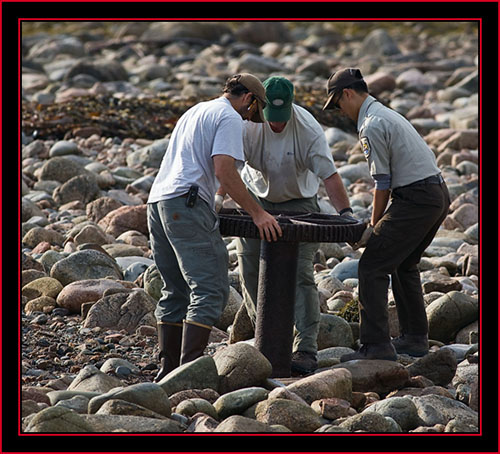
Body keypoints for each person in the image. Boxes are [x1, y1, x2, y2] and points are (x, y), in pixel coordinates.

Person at [147, 73, 282, 382]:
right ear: (248, 99)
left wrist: (218, 199)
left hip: (158, 202)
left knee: (175, 289)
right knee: (210, 290)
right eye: (253, 112)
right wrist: (258, 213)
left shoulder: (196, 110)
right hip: (187, 205)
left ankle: (167, 371)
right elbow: (224, 170)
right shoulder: (230, 117)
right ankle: (189, 372)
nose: (250, 119)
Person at [216, 76, 352, 375]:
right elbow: (229, 168)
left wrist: (346, 214)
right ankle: (262, 335)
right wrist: (217, 198)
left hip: (299, 200)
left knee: (301, 274)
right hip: (255, 199)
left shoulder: (308, 129)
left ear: (291, 108)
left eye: (281, 118)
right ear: (259, 106)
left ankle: (306, 348)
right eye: (270, 118)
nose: (275, 125)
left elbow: (330, 176)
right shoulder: (248, 124)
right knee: (249, 265)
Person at [322, 68, 450, 361]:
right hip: (437, 194)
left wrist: (373, 225)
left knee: (371, 267)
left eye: (338, 104)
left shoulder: (371, 124)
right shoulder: (386, 113)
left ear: (348, 94)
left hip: (416, 198)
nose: (340, 111)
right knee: (404, 263)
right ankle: (415, 339)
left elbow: (382, 182)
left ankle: (376, 344)